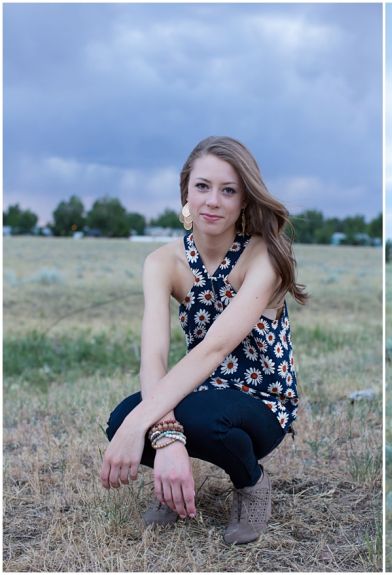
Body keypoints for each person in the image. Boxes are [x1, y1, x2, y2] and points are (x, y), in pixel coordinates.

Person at [101, 136, 307, 545]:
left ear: (244, 201)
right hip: (204, 387)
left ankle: (252, 483)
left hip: (263, 402)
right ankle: (174, 480)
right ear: (186, 193)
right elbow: (154, 354)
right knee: (120, 419)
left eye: (228, 190)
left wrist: (150, 425)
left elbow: (215, 347)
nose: (213, 201)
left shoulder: (262, 257)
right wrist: (165, 439)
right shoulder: (162, 262)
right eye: (203, 187)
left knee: (191, 419)